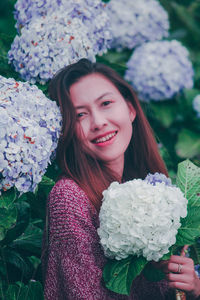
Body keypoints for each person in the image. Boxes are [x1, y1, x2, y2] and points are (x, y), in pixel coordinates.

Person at [42, 58, 200, 300]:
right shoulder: (69, 198)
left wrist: (192, 288)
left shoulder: (150, 186)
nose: (98, 122)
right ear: (67, 131)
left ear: (130, 109)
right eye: (80, 115)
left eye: (105, 103)